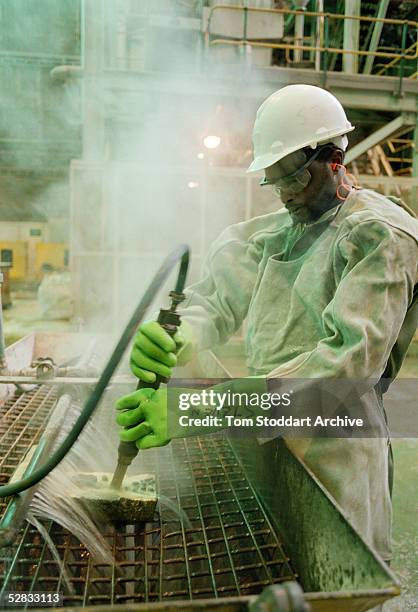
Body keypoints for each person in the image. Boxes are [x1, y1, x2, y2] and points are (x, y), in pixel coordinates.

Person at [116, 84, 418, 568]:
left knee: (336, 576)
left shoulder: (380, 237)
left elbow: (342, 374)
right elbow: (214, 301)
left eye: (292, 177)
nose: (283, 193)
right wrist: (182, 333)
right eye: (273, 180)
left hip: (334, 450)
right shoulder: (270, 234)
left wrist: (194, 410)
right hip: (261, 427)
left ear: (333, 158)